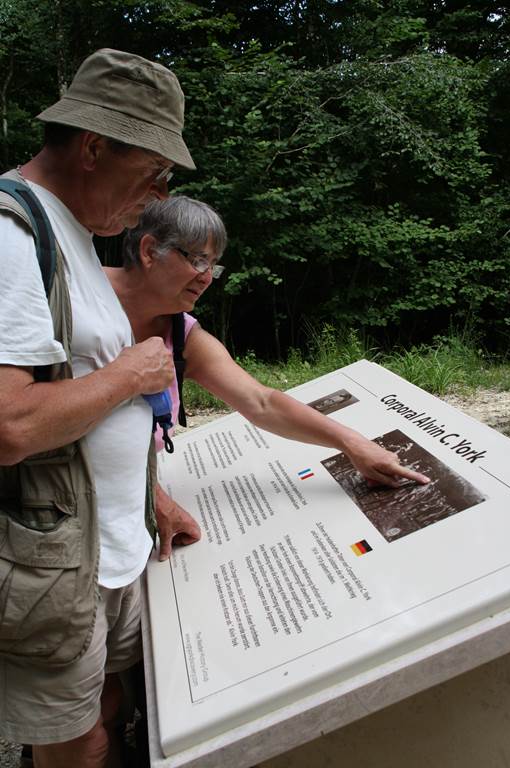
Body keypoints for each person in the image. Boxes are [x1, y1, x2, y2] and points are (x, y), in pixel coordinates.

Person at [0, 49, 199, 767]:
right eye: (152, 170)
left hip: (111, 553)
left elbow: (85, 410)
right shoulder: (12, 232)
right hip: (55, 567)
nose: (156, 194)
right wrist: (128, 375)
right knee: (75, 744)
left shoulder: (76, 236)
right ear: (92, 147)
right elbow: (11, 425)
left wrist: (150, 495)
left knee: (112, 708)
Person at [106, 195, 430, 558]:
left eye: (214, 265)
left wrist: (353, 445)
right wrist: (151, 495)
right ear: (150, 251)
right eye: (198, 259)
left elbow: (261, 402)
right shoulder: (74, 299)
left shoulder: (182, 335)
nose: (207, 277)